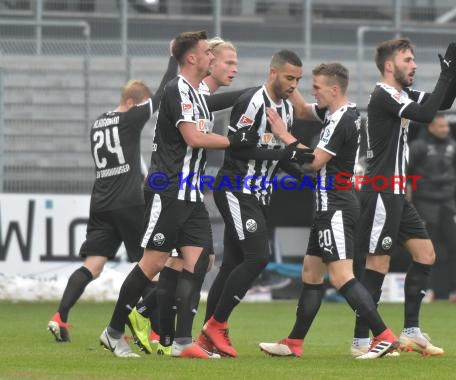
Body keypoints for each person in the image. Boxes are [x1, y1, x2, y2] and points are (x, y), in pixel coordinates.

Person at [99, 30, 259, 358]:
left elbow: (202, 132)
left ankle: (182, 342)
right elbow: (194, 138)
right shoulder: (179, 90)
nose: (212, 58)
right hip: (168, 189)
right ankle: (114, 331)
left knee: (198, 261)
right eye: (207, 53)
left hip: (190, 195)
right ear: (192, 58)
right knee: (155, 261)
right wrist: (236, 140)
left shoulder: (198, 95)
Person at [258, 62, 399, 360]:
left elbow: (316, 161)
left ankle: (384, 335)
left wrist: (283, 134)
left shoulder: (342, 121)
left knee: (341, 277)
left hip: (335, 206)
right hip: (328, 206)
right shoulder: (337, 111)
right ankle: (294, 342)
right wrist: (289, 83)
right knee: (311, 274)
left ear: (334, 90)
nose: (312, 92)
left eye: (317, 88)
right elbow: (303, 109)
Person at [352, 38, 456, 357]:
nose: (414, 65)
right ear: (389, 66)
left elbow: (441, 105)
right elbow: (426, 115)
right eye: (408, 60)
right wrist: (446, 75)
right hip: (382, 190)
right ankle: (361, 340)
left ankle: (410, 331)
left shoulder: (402, 93)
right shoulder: (384, 94)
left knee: (425, 255)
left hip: (396, 194)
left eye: (413, 59)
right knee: (377, 264)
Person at [47, 44, 178, 343]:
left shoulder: (97, 124)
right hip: (129, 200)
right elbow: (161, 95)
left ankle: (60, 317)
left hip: (101, 202)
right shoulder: (129, 118)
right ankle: (154, 330)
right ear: (132, 102)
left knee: (92, 264)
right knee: (152, 266)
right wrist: (174, 58)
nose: (144, 111)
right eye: (140, 105)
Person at [197, 50, 315, 358]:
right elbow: (240, 150)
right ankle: (216, 325)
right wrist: (289, 154)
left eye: (298, 80)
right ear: (273, 72)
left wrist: (305, 175)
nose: (293, 85)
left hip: (260, 195)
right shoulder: (252, 101)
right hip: (236, 188)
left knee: (232, 267)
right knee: (259, 256)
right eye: (289, 78)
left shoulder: (286, 109)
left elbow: (280, 154)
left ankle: (207, 337)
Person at [407, 113, 456, 304]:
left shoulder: (453, 146)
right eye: (441, 126)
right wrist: (410, 194)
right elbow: (407, 171)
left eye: (447, 126)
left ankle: (455, 291)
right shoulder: (418, 146)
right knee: (427, 249)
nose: (445, 130)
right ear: (431, 127)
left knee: (455, 246)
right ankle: (426, 290)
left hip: (447, 202)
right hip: (425, 202)